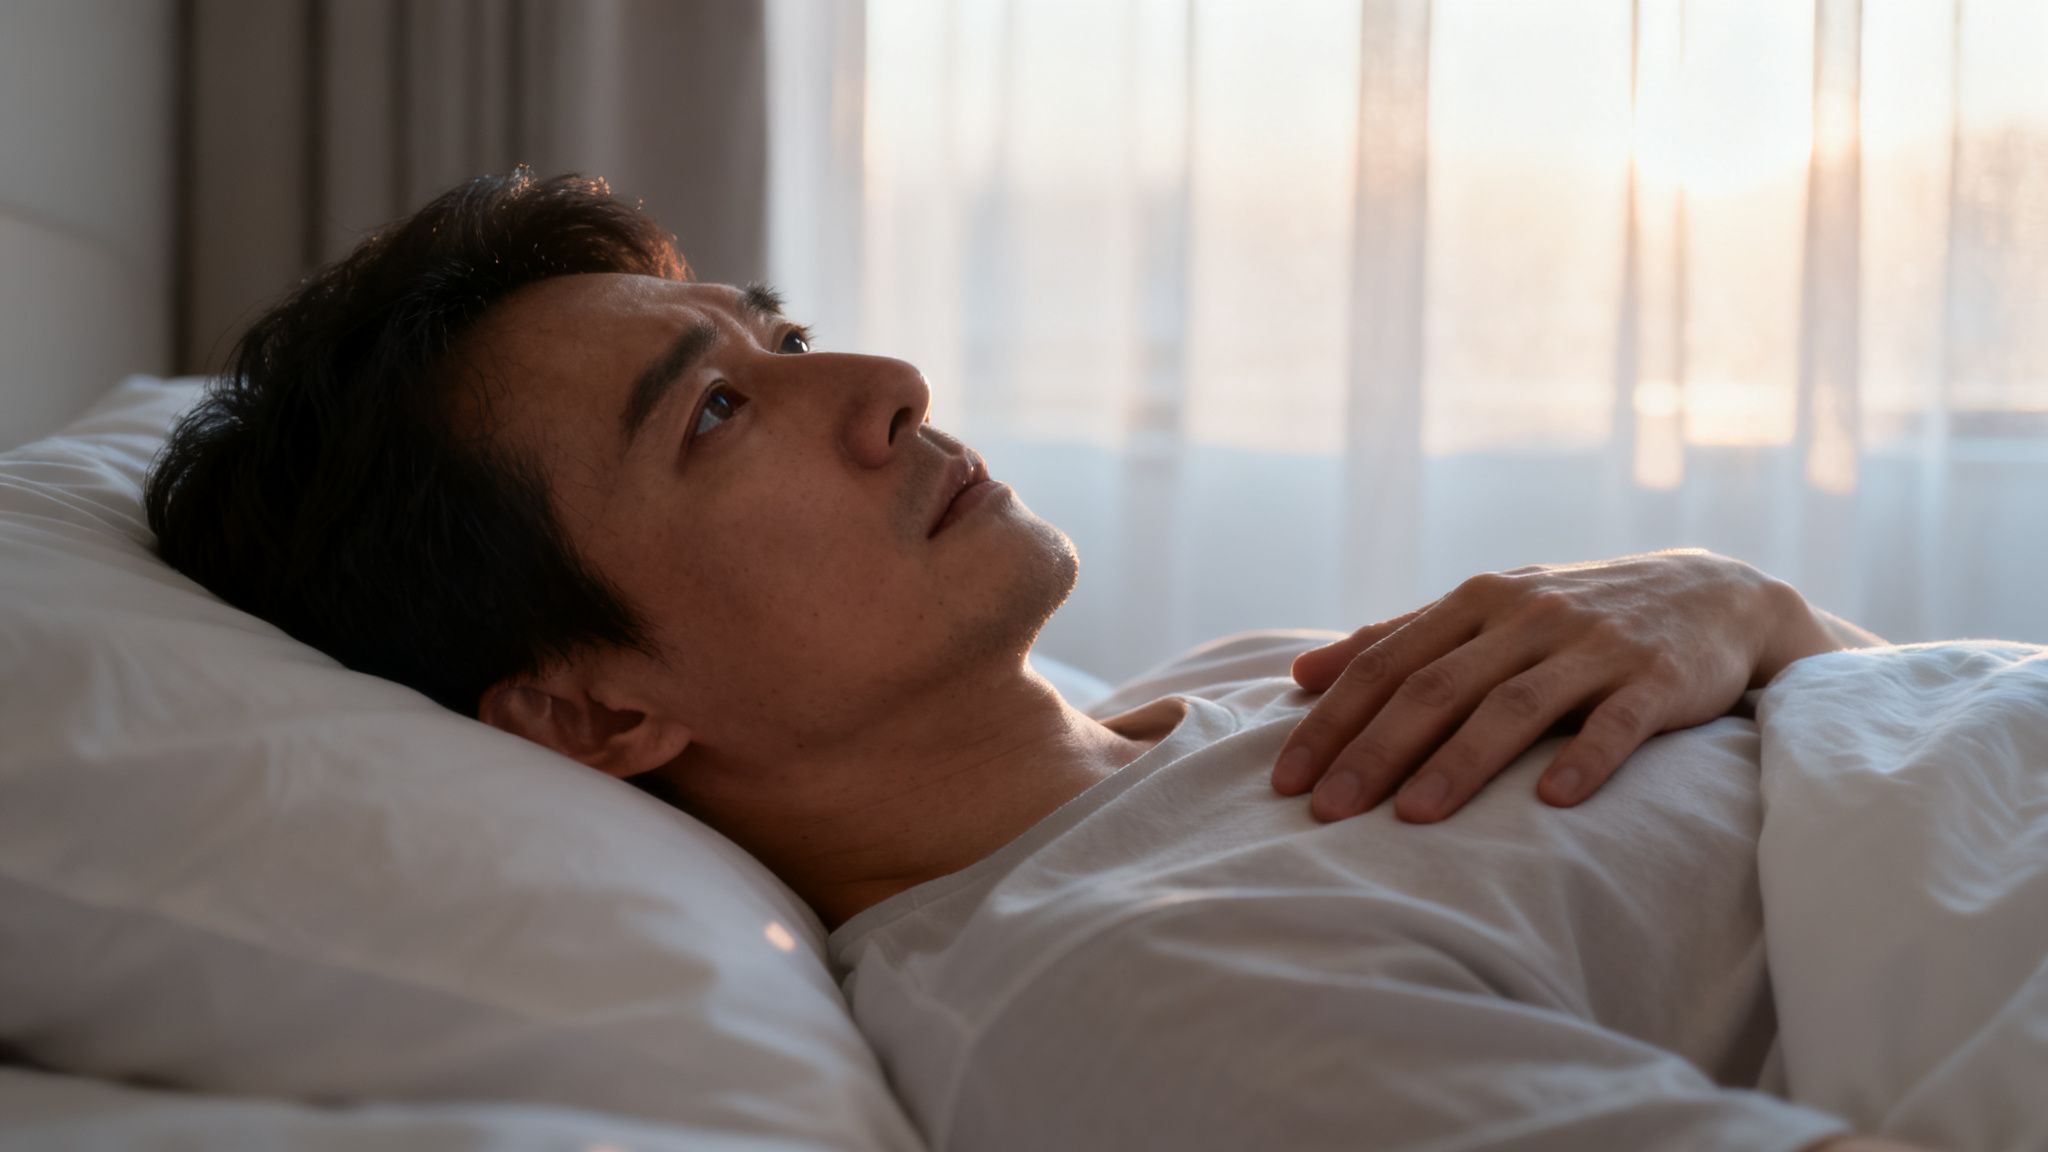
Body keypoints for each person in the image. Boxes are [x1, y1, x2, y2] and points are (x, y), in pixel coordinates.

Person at [145, 169, 1924, 1152]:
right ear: (595, 708)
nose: (888, 384)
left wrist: (1740, 603)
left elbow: (1889, 774)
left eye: (784, 339)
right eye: (712, 415)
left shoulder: (1251, 683)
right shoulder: (1113, 1004)